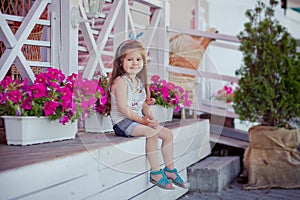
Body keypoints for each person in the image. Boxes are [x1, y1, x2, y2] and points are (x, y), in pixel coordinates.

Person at [107, 39, 186, 190]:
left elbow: (142, 104)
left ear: (143, 62)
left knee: (168, 134)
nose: (134, 63)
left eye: (138, 59)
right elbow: (124, 109)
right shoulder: (121, 82)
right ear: (120, 63)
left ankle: (169, 170)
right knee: (151, 134)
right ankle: (156, 173)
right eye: (129, 59)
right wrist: (143, 122)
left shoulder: (137, 81)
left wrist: (150, 118)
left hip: (136, 121)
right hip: (122, 123)